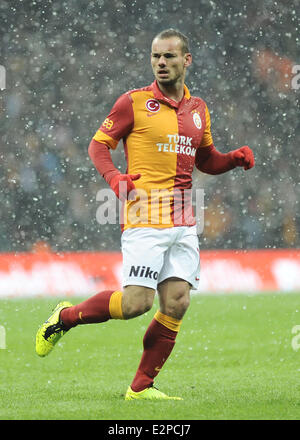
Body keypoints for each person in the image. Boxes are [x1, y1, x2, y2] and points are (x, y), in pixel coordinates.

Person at [35, 29, 255, 400]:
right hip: (145, 217)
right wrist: (114, 177)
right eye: (155, 57)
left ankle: (141, 387)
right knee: (138, 303)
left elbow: (205, 160)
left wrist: (231, 160)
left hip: (183, 219)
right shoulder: (133, 103)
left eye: (169, 57)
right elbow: (98, 145)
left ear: (187, 60)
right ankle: (65, 317)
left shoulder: (199, 109)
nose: (161, 63)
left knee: (178, 302)